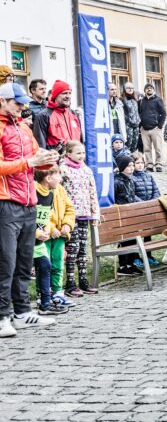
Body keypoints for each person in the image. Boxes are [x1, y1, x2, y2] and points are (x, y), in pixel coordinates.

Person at [0, 82, 59, 337]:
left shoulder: (24, 127)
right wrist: (30, 162)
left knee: (24, 262)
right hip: (6, 203)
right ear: (2, 101)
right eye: (17, 103)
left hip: (28, 202)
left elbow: (35, 156)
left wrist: (49, 160)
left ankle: (22, 312)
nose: (23, 107)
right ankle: (2, 316)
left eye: (24, 102)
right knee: (5, 262)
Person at [59, 140, 100, 297]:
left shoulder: (87, 170)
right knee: (73, 249)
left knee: (83, 249)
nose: (81, 156)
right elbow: (59, 193)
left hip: (85, 214)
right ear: (68, 154)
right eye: (78, 153)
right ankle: (70, 282)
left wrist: (95, 214)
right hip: (70, 216)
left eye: (83, 153)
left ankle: (83, 280)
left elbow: (92, 192)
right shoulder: (63, 170)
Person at [34, 165, 76, 311]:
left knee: (58, 264)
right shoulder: (38, 192)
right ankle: (44, 295)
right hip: (45, 235)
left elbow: (70, 208)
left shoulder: (60, 189)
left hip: (60, 234)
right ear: (48, 177)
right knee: (45, 265)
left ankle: (57, 292)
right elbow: (42, 216)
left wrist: (67, 225)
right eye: (58, 175)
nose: (61, 178)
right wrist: (51, 229)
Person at [32, 80, 82, 153]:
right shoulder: (43, 115)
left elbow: (81, 140)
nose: (68, 96)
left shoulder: (74, 114)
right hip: (56, 162)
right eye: (64, 93)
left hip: (76, 161)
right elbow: (40, 146)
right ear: (55, 96)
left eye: (70, 93)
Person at [113, 155, 141, 276]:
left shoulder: (130, 180)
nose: (131, 168)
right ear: (122, 167)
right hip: (121, 214)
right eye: (128, 166)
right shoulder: (116, 181)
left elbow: (132, 196)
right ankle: (123, 265)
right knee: (124, 241)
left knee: (133, 239)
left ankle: (131, 263)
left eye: (132, 165)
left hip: (131, 214)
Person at [137, 83, 166, 172]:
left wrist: (160, 125)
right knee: (147, 148)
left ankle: (158, 164)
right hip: (144, 129)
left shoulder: (158, 100)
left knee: (158, 147)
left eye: (151, 88)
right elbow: (138, 114)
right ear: (145, 90)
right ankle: (149, 164)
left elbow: (163, 113)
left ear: (153, 89)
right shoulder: (141, 101)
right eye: (147, 88)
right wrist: (140, 126)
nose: (149, 89)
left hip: (155, 128)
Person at [122, 82, 141, 153]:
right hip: (128, 125)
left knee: (135, 143)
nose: (130, 89)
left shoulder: (135, 99)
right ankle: (126, 159)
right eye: (128, 88)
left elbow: (138, 112)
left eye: (132, 88)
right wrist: (128, 121)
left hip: (136, 125)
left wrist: (139, 121)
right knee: (128, 143)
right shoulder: (122, 100)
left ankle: (132, 159)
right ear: (124, 89)